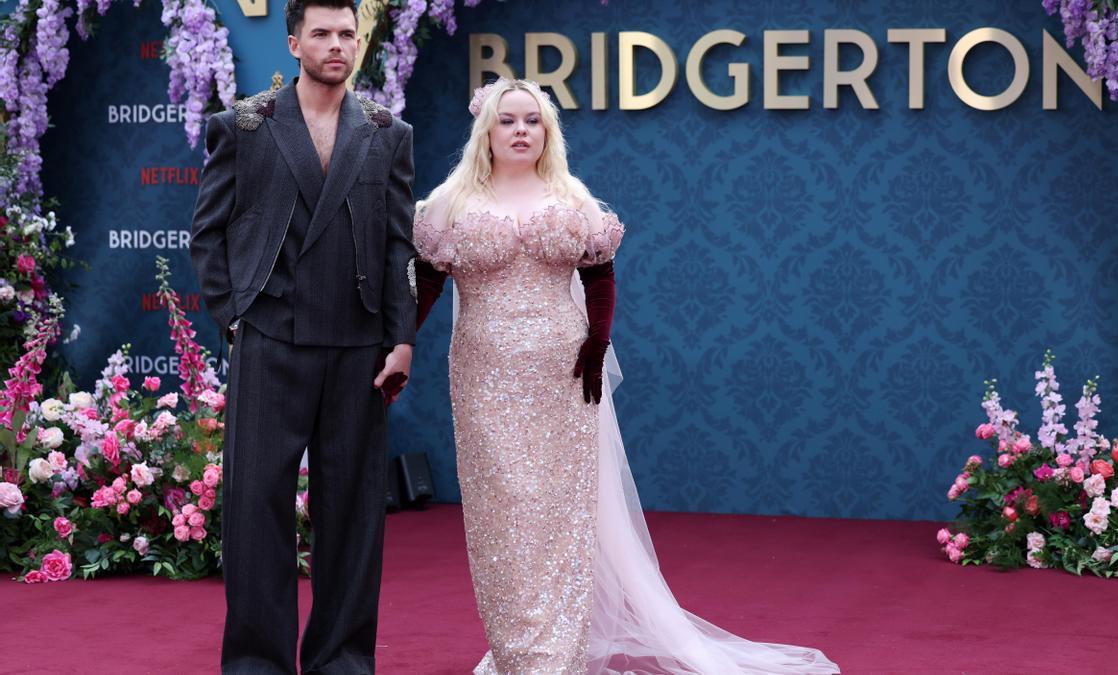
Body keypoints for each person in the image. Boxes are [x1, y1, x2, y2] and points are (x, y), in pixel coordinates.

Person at [413, 78, 838, 674]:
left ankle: (554, 656)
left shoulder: (573, 198)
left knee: (561, 511)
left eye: (532, 121)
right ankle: (516, 650)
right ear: (486, 130)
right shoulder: (447, 205)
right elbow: (426, 286)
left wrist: (597, 341)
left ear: (547, 131)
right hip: (484, 377)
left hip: (565, 374)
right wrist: (397, 348)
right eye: (507, 121)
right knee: (502, 514)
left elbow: (600, 277)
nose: (520, 132)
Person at [189, 0, 416, 671]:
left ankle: (342, 660)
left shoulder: (386, 132)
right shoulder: (247, 125)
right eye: (322, 33)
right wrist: (236, 315)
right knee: (256, 511)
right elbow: (209, 231)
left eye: (348, 33)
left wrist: (401, 338)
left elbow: (401, 243)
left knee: (351, 518)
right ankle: (257, 662)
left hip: (357, 348)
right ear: (294, 43)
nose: (337, 44)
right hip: (270, 340)